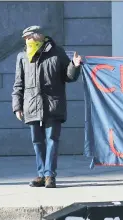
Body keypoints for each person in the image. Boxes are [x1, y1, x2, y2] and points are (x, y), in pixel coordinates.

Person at [12, 26, 82, 188]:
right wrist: (17, 106)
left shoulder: (57, 52)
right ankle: (41, 174)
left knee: (52, 140)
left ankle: (50, 175)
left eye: (29, 37)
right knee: (37, 141)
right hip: (31, 105)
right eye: (25, 38)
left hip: (53, 104)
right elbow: (18, 84)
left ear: (38, 37)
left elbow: (68, 76)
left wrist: (74, 65)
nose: (27, 41)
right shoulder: (22, 56)